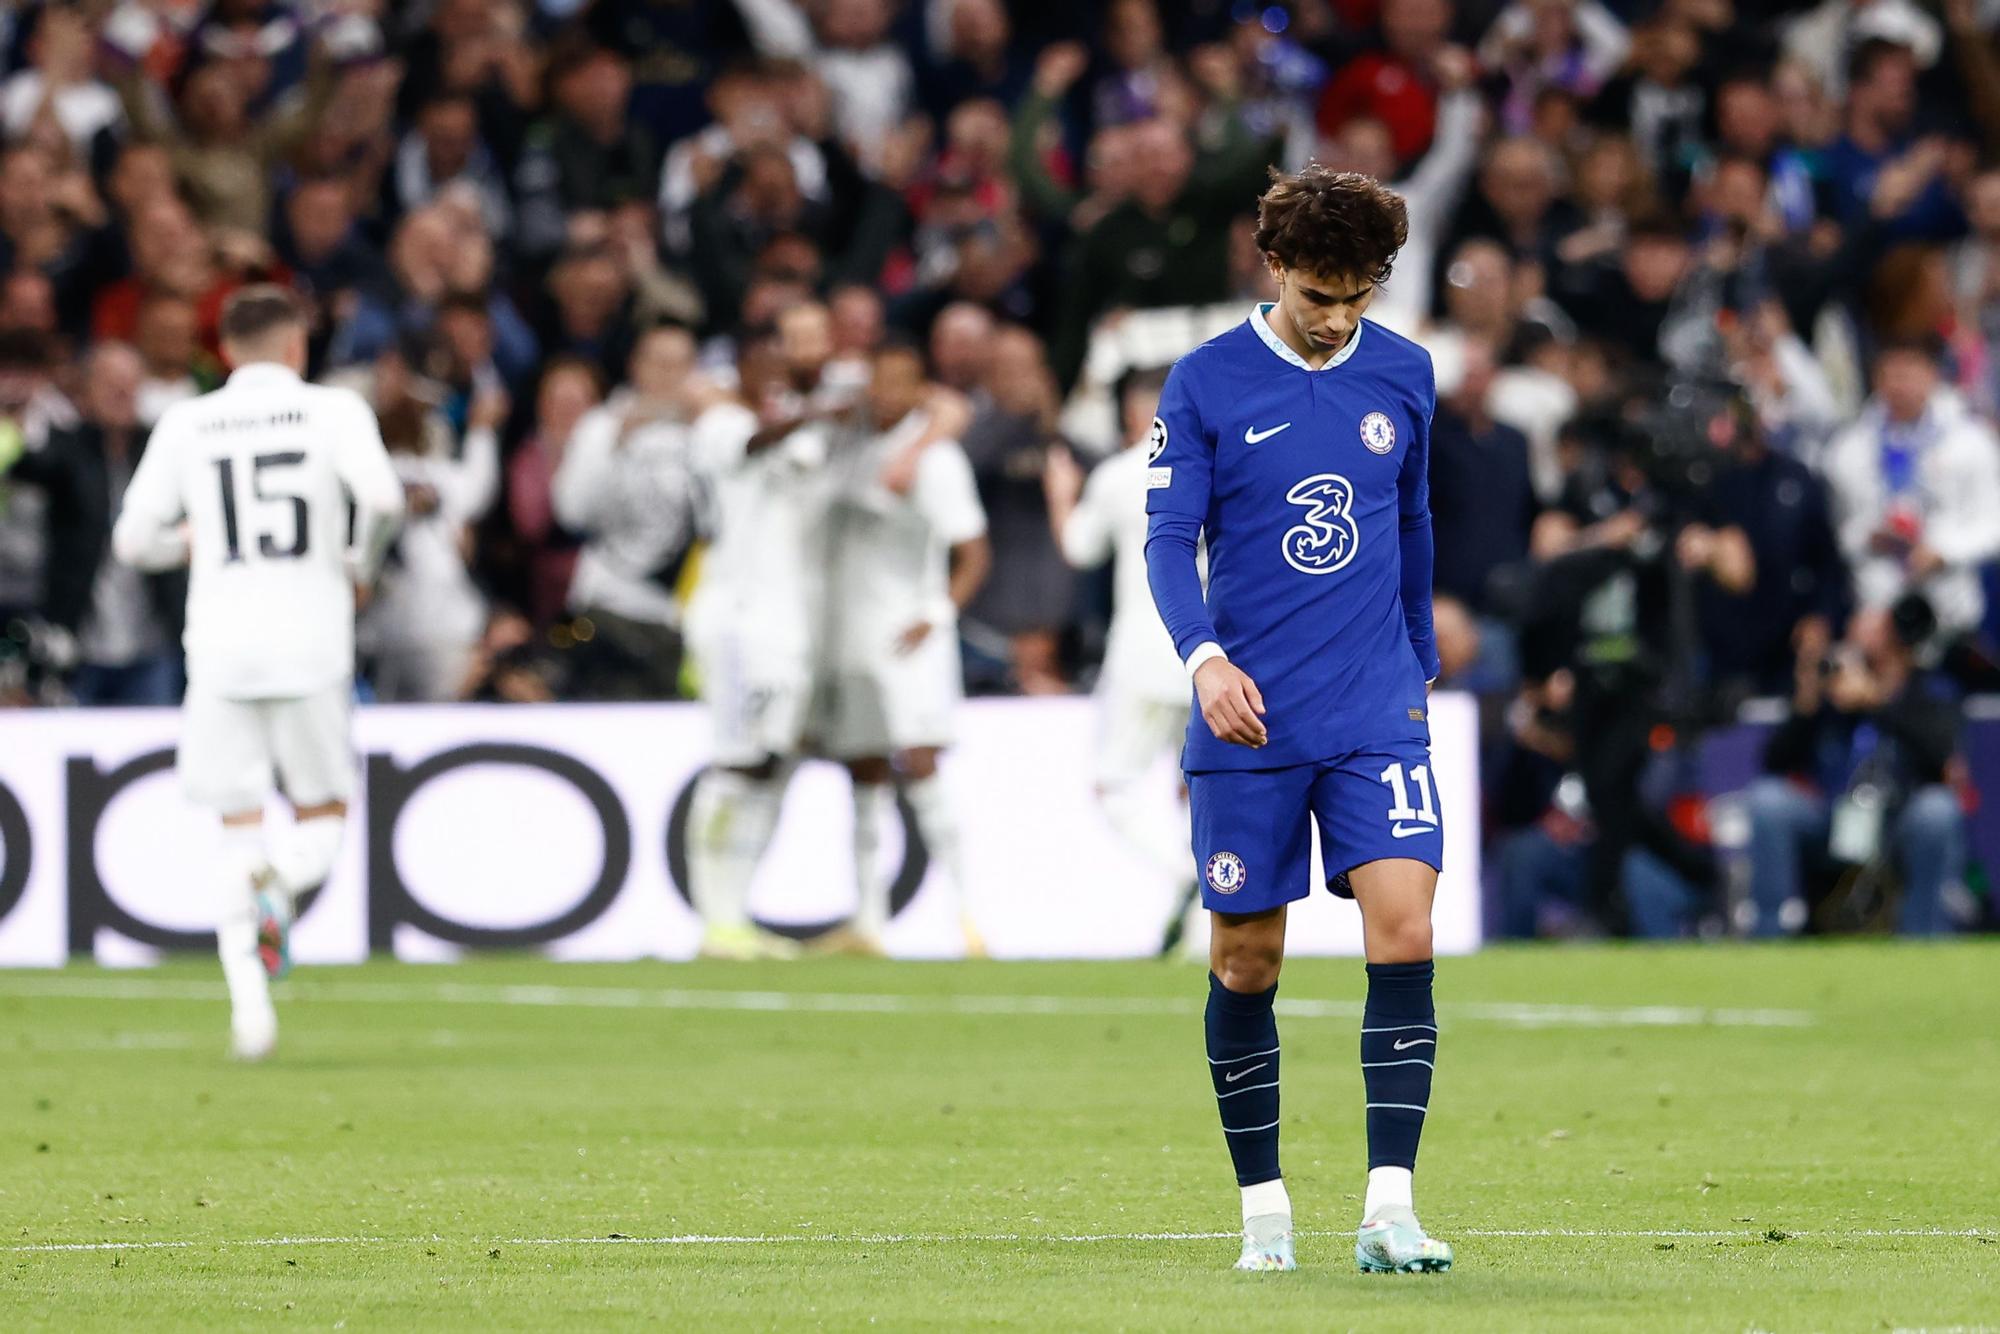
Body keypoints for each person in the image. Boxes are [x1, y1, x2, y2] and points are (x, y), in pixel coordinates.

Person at [1144, 166, 1452, 1275]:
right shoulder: (1205, 381)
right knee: (1244, 962)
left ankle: (1389, 1207)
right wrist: (1202, 659)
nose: (1334, 319)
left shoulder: (1406, 372)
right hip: (1249, 717)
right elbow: (1166, 539)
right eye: (1318, 294)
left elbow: (1411, 523)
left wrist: (1414, 663)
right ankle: (1263, 1212)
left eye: (1355, 297)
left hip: (1375, 707)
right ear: (1272, 267)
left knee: (1405, 933)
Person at [109, 285, 404, 1060]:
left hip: (220, 648)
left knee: (235, 828)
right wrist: (357, 563)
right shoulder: (334, 411)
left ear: (226, 352)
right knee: (323, 818)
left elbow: (135, 542)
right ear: (298, 345)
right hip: (311, 641)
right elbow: (382, 496)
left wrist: (192, 542)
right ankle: (280, 883)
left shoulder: (188, 421)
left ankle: (251, 1016)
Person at [817, 339, 990, 956]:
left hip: (908, 636)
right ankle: (869, 923)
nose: (886, 394)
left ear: (921, 391)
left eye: (900, 383)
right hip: (854, 639)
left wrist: (936, 614)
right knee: (863, 770)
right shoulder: (855, 446)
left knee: (920, 766)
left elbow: (974, 551)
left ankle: (968, 918)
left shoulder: (937, 461)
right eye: (878, 381)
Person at [1047, 364, 1204, 957]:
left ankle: (1184, 877)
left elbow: (1078, 547)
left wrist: (1060, 496)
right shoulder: (1220, 472)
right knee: (1197, 793)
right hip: (1209, 656)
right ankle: (1200, 930)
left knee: (1113, 788)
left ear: (1137, 413)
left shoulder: (1117, 475)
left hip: (1141, 655)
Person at [681, 333, 830, 960]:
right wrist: (809, 412)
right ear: (740, 366)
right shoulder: (722, 422)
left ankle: (737, 914)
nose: (774, 372)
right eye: (762, 360)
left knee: (773, 765)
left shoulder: (801, 435)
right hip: (737, 618)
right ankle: (715, 921)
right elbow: (750, 444)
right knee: (736, 762)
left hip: (786, 623)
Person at [1741, 596, 1965, 936]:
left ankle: (1926, 936)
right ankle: (1771, 933)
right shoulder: (1831, 689)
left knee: (1938, 810)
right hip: (1834, 814)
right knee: (1768, 800)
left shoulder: (1929, 687)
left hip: (1897, 818)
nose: (1858, 641)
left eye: (1872, 632)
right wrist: (1808, 702)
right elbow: (1774, 761)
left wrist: (1878, 702)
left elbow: (1940, 755)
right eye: (1854, 630)